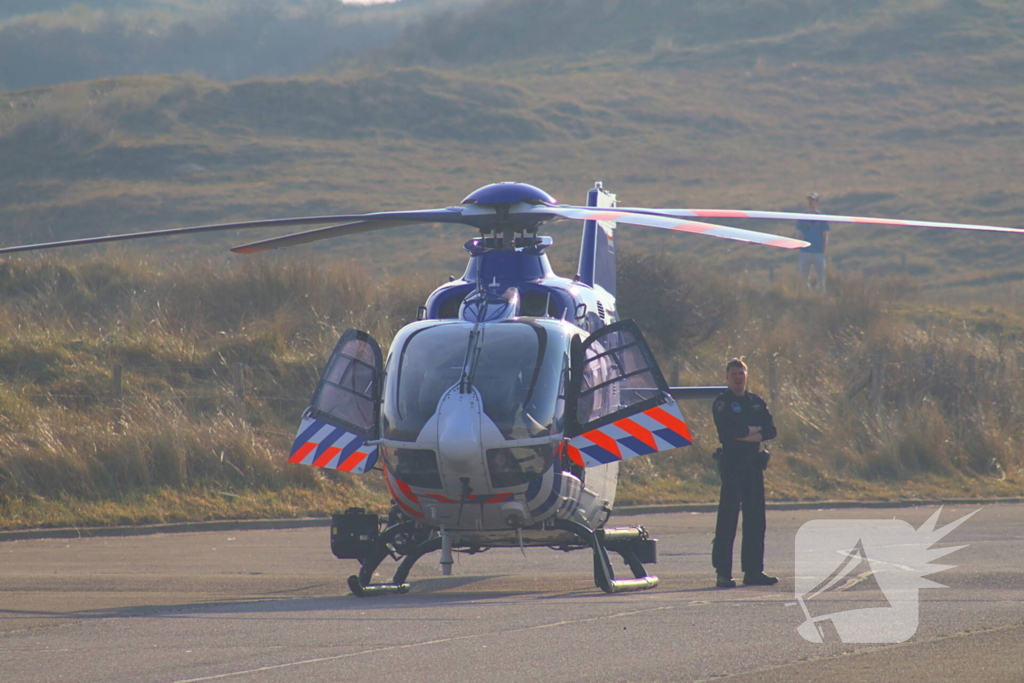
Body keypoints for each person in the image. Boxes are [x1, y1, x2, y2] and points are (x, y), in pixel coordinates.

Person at [711, 358, 778, 588]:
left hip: (753, 465)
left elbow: (771, 430)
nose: (738, 377)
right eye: (733, 374)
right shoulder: (722, 403)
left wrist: (748, 433)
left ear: (747, 375)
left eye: (741, 373)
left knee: (755, 520)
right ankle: (723, 573)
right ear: (727, 377)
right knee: (728, 519)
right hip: (732, 465)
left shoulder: (756, 402)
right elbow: (729, 432)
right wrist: (754, 431)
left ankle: (753, 571)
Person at [796, 192, 830, 291]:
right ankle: (806, 296)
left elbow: (825, 235)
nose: (811, 202)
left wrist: (823, 250)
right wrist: (799, 248)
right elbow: (799, 234)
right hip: (805, 252)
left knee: (821, 278)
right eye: (809, 200)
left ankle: (821, 297)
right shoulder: (802, 217)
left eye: (813, 200)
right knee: (803, 278)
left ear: (817, 202)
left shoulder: (822, 218)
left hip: (818, 252)